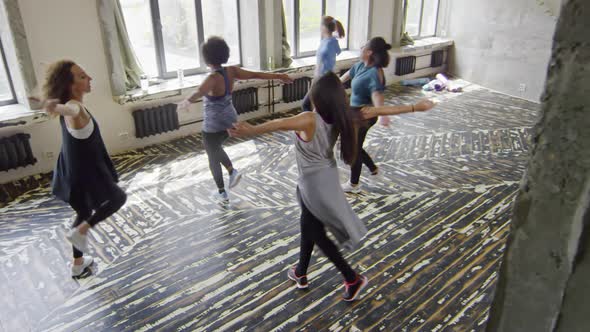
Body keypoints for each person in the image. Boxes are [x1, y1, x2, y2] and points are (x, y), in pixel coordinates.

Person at [229, 72, 368, 301]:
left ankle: (352, 278)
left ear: (318, 97)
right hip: (320, 179)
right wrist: (414, 108)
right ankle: (300, 272)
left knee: (315, 232)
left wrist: (251, 130)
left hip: (313, 183)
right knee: (308, 225)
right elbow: (378, 111)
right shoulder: (339, 115)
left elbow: (280, 124)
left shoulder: (309, 119)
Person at [36, 60, 127, 279]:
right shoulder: (74, 108)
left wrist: (55, 104)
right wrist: (55, 106)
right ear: (70, 84)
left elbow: (67, 107)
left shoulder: (72, 106)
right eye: (83, 76)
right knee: (118, 199)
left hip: (70, 173)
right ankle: (82, 231)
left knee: (83, 213)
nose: (90, 79)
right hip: (85, 175)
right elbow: (70, 109)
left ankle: (78, 264)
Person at [178, 36, 293, 202]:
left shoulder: (212, 79)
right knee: (216, 149)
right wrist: (279, 76)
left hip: (213, 124)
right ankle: (231, 171)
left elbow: (199, 92)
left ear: (207, 59)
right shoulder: (231, 71)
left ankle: (222, 191)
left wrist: (186, 101)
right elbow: (255, 74)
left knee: (212, 155)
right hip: (231, 119)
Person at [339, 37, 392, 193]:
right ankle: (373, 168)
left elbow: (377, 95)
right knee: (354, 146)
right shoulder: (360, 66)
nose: (360, 47)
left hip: (365, 115)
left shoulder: (375, 73)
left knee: (353, 148)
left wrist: (382, 114)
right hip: (353, 112)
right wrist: (328, 84)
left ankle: (354, 185)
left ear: (369, 52)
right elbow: (344, 78)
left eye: (363, 46)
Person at [301, 16, 345, 113]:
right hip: (320, 78)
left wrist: (317, 80)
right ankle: (317, 125)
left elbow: (327, 64)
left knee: (307, 105)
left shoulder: (331, 43)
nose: (320, 28)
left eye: (321, 25)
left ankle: (318, 126)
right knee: (310, 106)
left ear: (324, 27)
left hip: (324, 80)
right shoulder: (325, 41)